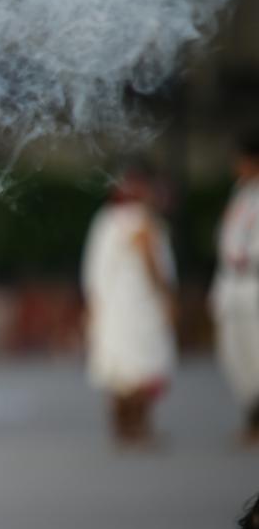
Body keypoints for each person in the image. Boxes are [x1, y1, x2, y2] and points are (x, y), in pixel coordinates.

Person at [81, 163, 177, 448]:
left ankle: (125, 428)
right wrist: (167, 296)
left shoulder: (107, 220)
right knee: (140, 366)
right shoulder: (139, 219)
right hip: (137, 305)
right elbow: (153, 264)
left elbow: (92, 270)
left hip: (113, 304)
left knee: (121, 367)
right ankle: (137, 427)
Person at [209, 131, 259, 447]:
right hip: (232, 286)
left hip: (254, 282)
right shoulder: (240, 192)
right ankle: (250, 418)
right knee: (236, 356)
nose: (236, 166)